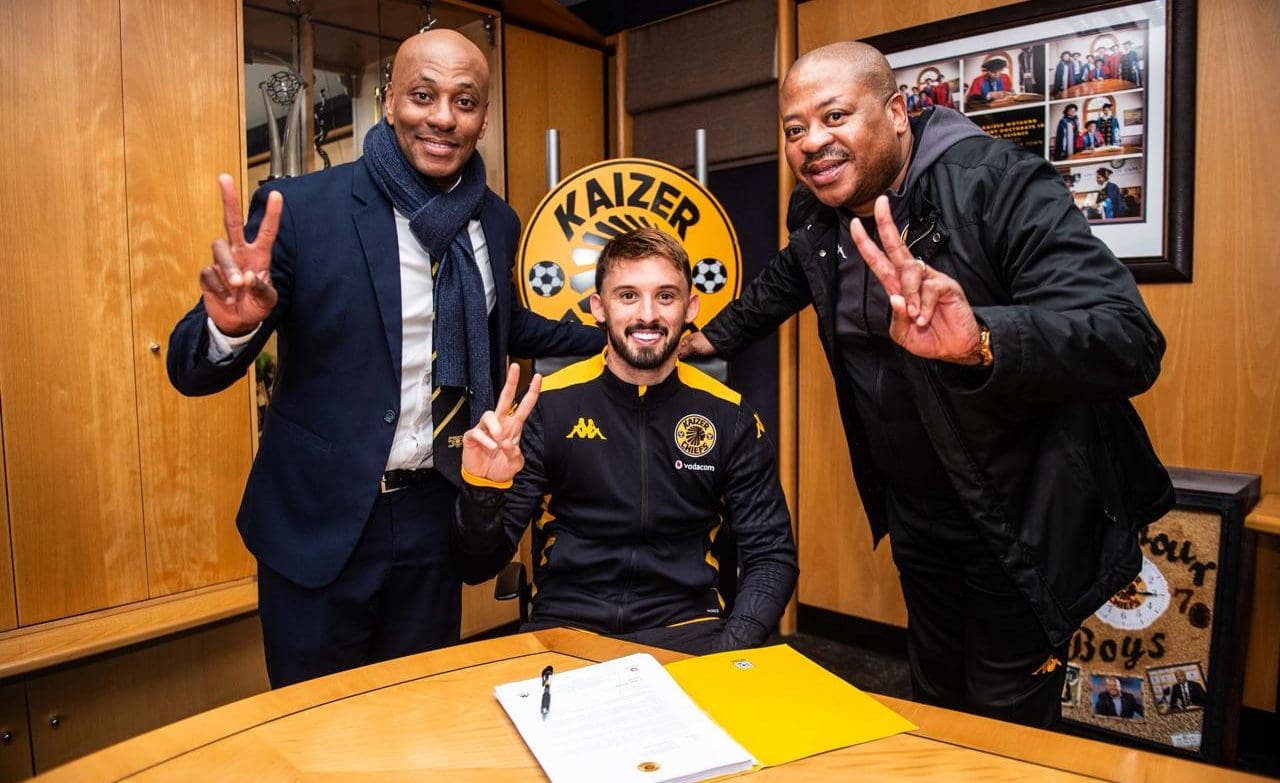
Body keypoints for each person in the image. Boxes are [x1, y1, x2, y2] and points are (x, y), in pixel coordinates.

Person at [680, 41, 1172, 728]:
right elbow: (788, 278)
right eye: (795, 129)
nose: (813, 142)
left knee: (1003, 725)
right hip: (916, 512)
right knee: (935, 695)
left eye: (835, 116)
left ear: (898, 111)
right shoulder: (819, 214)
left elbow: (1128, 338)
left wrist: (984, 340)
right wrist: (710, 336)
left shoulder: (997, 183)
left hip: (1018, 512)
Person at [167, 29, 604, 688]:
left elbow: (501, 322)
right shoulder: (308, 210)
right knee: (315, 728)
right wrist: (229, 328)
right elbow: (190, 369)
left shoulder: (495, 221)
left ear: (483, 118)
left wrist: (613, 334)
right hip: (321, 520)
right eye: (423, 95)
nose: (442, 118)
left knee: (417, 715)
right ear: (390, 97)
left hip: (433, 517)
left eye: (465, 102)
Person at [452, 228, 798, 654]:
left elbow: (771, 555)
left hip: (689, 631)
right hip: (565, 631)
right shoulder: (545, 409)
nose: (648, 315)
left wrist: (730, 650)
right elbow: (477, 565)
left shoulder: (731, 417)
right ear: (599, 307)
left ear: (690, 307)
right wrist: (484, 489)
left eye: (666, 296)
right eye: (628, 296)